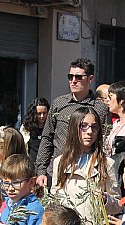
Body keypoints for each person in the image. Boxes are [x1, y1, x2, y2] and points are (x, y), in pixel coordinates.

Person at [36, 58, 109, 187]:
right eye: (70, 77)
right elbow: (47, 137)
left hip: (86, 173)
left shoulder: (100, 108)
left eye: (78, 77)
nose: (73, 81)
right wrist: (41, 170)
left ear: (90, 79)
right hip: (57, 171)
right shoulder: (59, 103)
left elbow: (105, 141)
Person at [20, 97, 50, 164]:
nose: (42, 116)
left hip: (47, 163)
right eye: (39, 113)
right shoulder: (26, 128)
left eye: (44, 113)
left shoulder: (51, 127)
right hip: (31, 163)